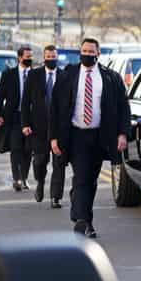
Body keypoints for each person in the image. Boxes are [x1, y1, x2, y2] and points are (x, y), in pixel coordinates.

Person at [49, 38, 130, 238]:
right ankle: (81, 219)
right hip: (76, 135)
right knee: (82, 176)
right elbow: (55, 108)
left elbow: (123, 107)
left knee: (90, 179)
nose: (87, 54)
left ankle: (86, 221)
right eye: (83, 51)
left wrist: (122, 134)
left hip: (100, 135)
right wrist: (53, 138)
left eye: (90, 51)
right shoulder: (68, 75)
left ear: (98, 53)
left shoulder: (110, 78)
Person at [21, 45, 66, 208]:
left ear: (57, 57)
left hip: (59, 129)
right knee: (40, 161)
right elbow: (25, 102)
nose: (51, 59)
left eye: (53, 56)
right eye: (48, 56)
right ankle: (40, 182)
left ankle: (56, 197)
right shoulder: (34, 75)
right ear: (44, 57)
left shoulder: (64, 76)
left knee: (59, 164)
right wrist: (25, 124)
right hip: (38, 128)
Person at [0, 46, 34, 191]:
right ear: (19, 58)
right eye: (27, 57)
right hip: (14, 117)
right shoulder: (8, 75)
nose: (30, 59)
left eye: (31, 57)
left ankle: (24, 177)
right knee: (16, 148)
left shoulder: (36, 75)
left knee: (27, 149)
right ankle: (17, 179)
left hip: (31, 118)